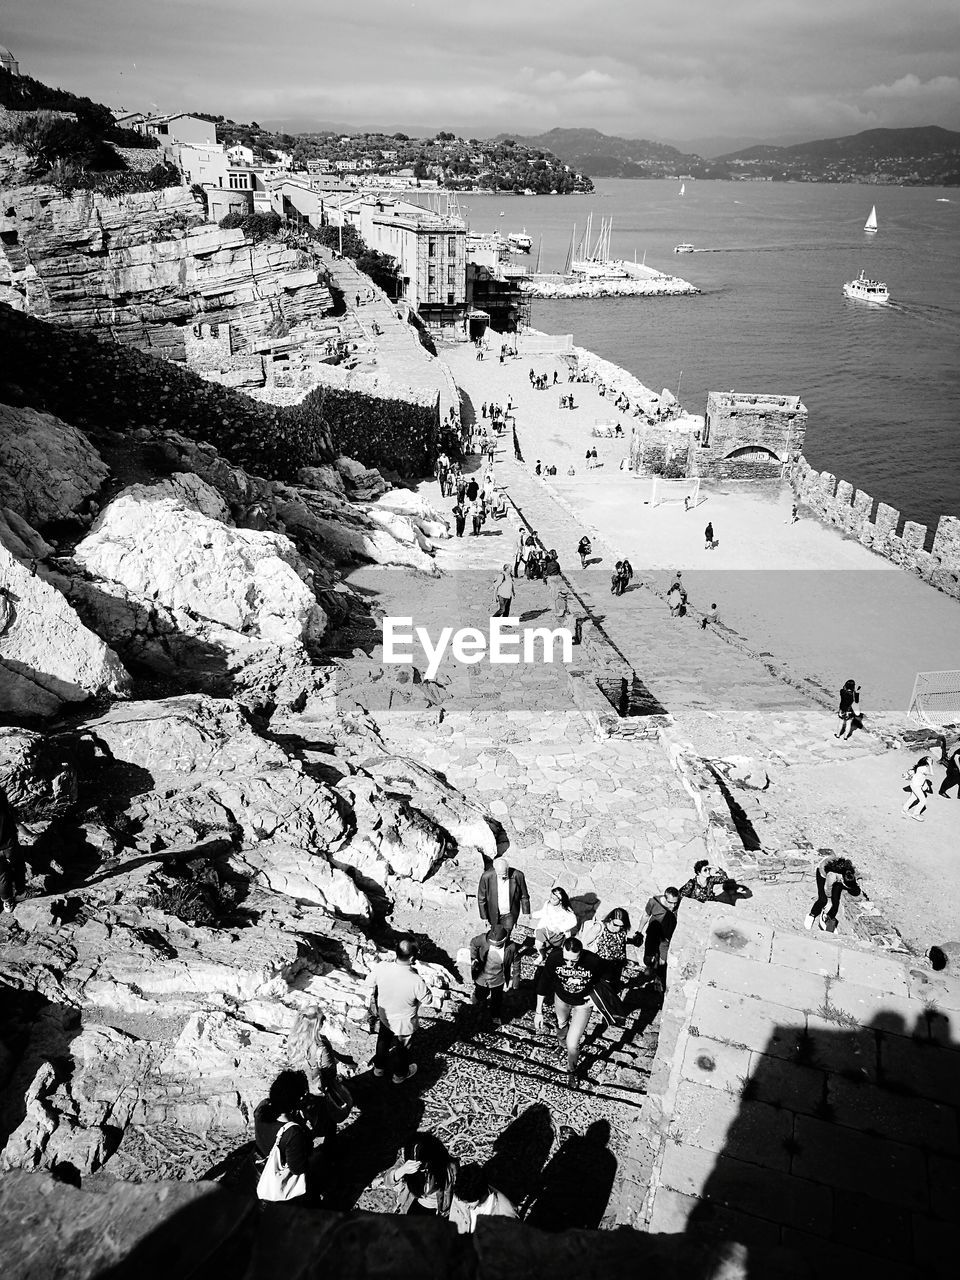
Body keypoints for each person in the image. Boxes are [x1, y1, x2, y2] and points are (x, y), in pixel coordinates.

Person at [534, 937, 602, 1086]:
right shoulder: (554, 957)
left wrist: (596, 1000)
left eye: (573, 961)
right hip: (562, 999)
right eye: (566, 960)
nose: (569, 964)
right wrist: (539, 1011)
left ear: (581, 953)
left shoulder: (593, 961)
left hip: (582, 1005)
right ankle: (561, 1044)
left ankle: (571, 1070)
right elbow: (544, 981)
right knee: (561, 1023)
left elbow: (605, 980)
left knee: (573, 1043)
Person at [367, 938, 433, 1084]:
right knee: (402, 1050)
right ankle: (400, 1075)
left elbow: (369, 982)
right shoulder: (416, 980)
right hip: (404, 1023)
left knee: (383, 1042)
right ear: (412, 958)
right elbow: (428, 1000)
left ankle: (379, 1069)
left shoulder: (382, 967)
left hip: (385, 1016)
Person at [253, 1069, 313, 1203]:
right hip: (279, 1186)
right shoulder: (292, 1132)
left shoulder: (261, 1108)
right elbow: (297, 1169)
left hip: (261, 1164)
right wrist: (307, 1135)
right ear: (296, 1100)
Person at [389, 1132, 458, 1217]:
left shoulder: (448, 1165)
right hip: (413, 1205)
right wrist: (403, 1170)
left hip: (439, 1210)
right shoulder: (408, 1159)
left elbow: (455, 1190)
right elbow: (388, 1180)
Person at [469, 922, 519, 1028]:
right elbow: (473, 943)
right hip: (482, 976)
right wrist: (474, 959)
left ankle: (495, 1015)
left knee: (497, 1000)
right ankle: (477, 1006)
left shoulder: (511, 948)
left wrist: (515, 981)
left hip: (498, 978)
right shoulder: (483, 939)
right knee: (480, 994)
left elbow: (516, 963)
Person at [449, 1164, 518, 1233]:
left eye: (468, 1203)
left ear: (480, 1195)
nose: (466, 1206)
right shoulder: (461, 1192)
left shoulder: (506, 1216)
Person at [638, 888, 681, 989]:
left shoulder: (678, 904)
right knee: (648, 956)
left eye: (675, 903)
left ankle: (659, 978)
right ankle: (650, 965)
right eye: (670, 903)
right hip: (653, 933)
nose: (673, 906)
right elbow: (646, 915)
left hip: (665, 938)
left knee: (663, 960)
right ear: (665, 898)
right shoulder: (653, 902)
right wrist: (639, 931)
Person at [804, 855, 860, 931]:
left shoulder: (849, 873)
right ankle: (811, 915)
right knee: (823, 899)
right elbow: (827, 888)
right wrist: (829, 902)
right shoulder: (832, 876)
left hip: (837, 877)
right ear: (842, 880)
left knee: (835, 901)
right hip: (823, 872)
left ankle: (827, 917)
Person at [477, 858, 530, 931]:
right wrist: (484, 917)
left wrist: (526, 912)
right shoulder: (486, 877)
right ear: (495, 870)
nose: (502, 877)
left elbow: (524, 896)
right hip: (493, 913)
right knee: (496, 936)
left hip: (509, 913)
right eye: (499, 874)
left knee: (506, 934)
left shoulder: (518, 875)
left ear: (508, 869)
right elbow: (481, 899)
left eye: (505, 874)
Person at [0, 786, 25, 914]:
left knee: (2, 876)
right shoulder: (6, 809)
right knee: (19, 866)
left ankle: (7, 901)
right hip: (9, 847)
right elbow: (18, 824)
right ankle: (20, 891)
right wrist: (32, 835)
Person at [902, 756, 935, 822]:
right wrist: (930, 765)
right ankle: (915, 814)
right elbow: (932, 774)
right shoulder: (922, 768)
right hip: (916, 786)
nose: (931, 761)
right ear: (926, 762)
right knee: (923, 801)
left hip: (915, 785)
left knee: (913, 798)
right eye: (929, 760)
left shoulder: (922, 767)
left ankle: (904, 810)